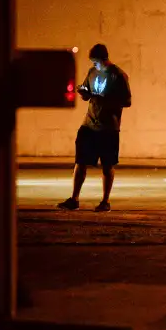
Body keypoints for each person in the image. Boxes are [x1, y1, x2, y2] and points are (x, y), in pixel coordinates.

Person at [58, 43, 131, 212]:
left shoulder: (118, 75)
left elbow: (127, 101)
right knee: (80, 162)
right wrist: (84, 92)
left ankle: (105, 201)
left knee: (107, 165)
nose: (94, 65)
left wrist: (104, 99)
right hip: (89, 124)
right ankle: (74, 198)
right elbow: (88, 93)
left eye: (95, 62)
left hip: (108, 128)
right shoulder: (92, 72)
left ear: (103, 59)